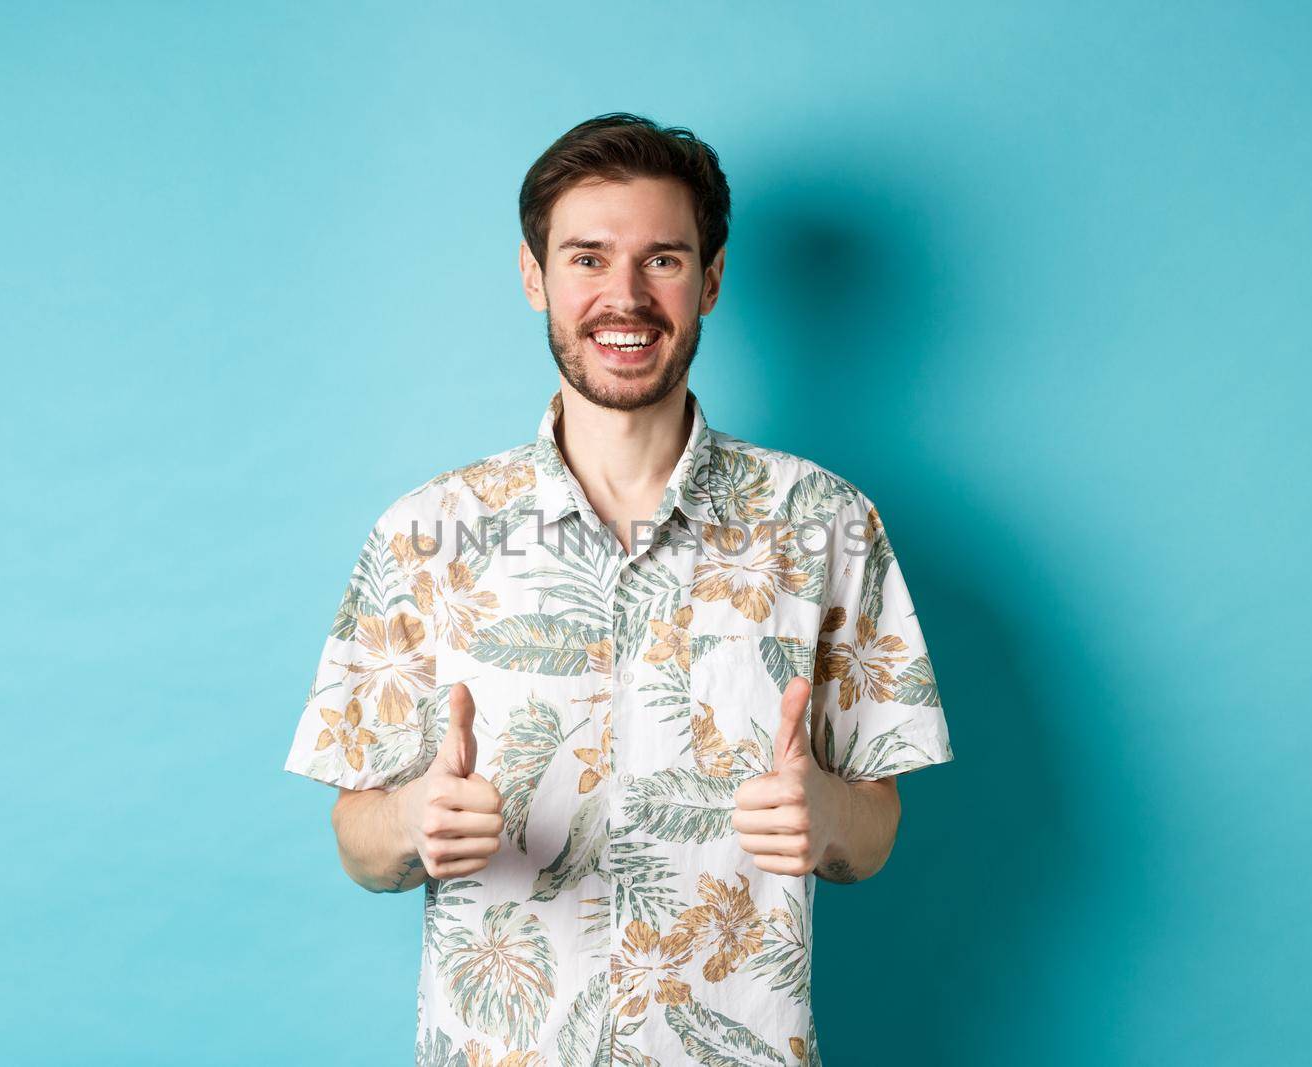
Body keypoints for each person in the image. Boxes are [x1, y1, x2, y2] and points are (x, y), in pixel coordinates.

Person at [282, 112, 953, 1066]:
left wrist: (828, 811)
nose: (624, 298)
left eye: (664, 260)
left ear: (712, 279)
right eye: (588, 258)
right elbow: (357, 839)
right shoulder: (424, 534)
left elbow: (875, 827)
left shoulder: (829, 523)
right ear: (534, 277)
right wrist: (411, 817)